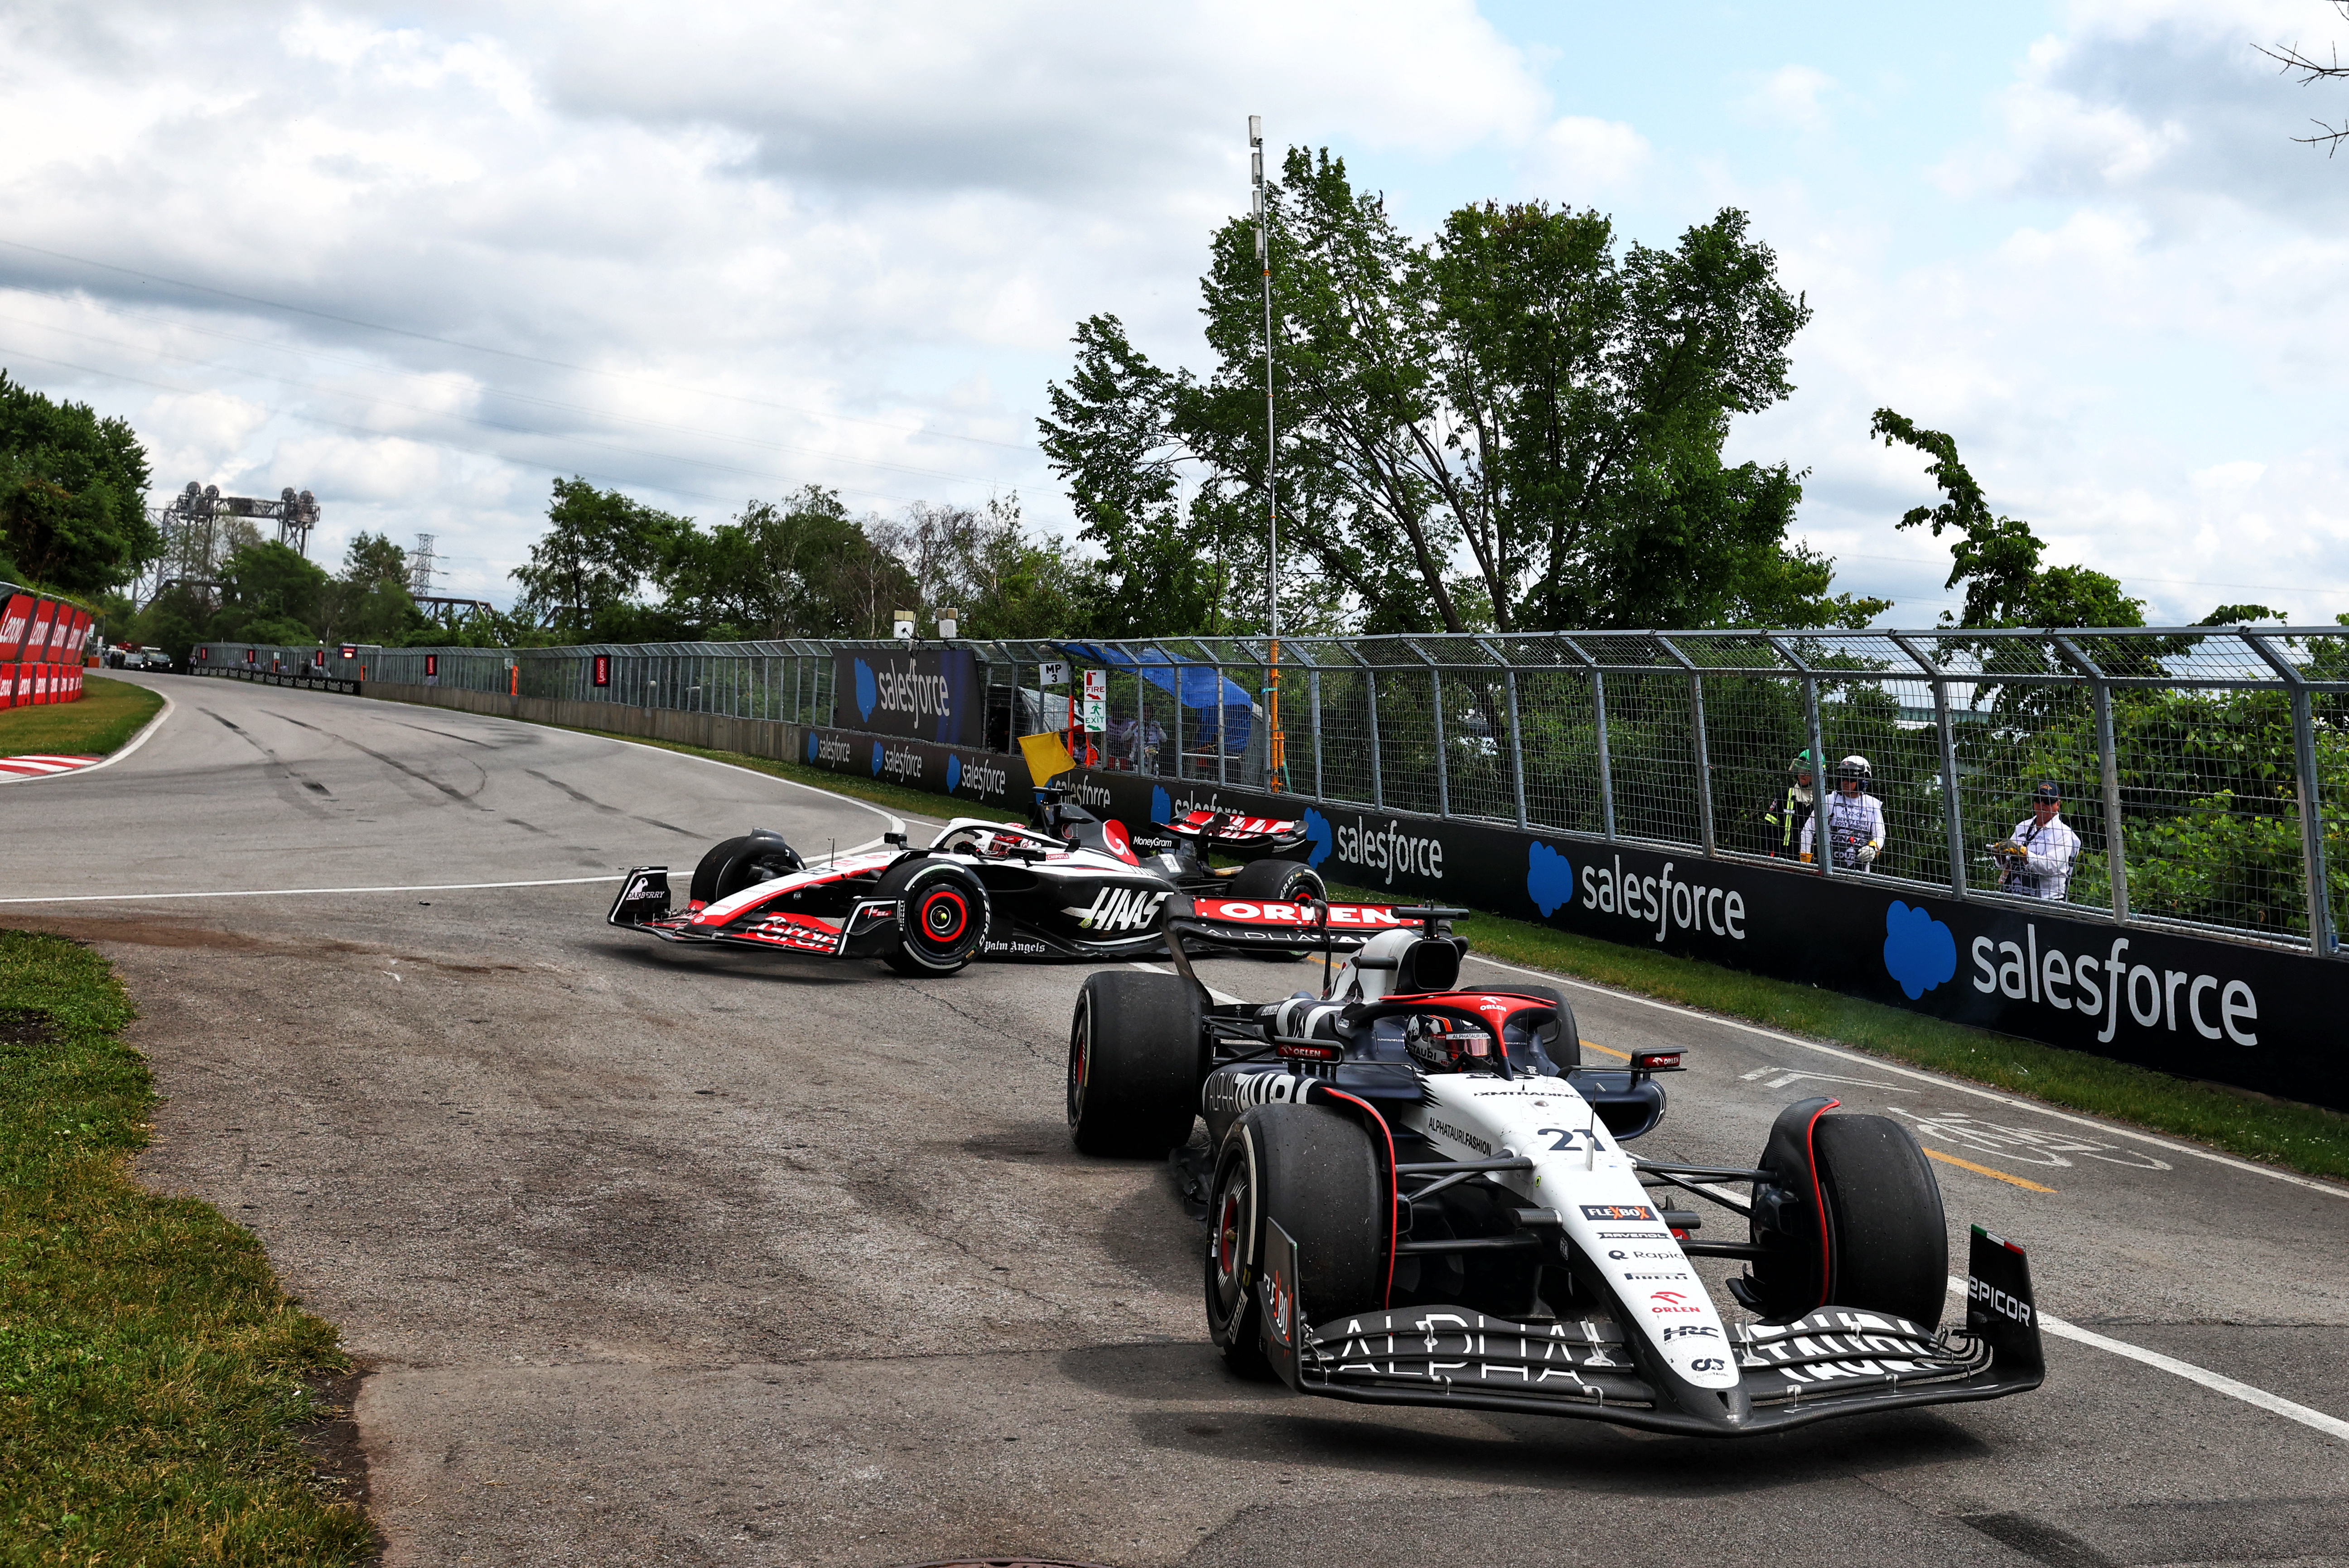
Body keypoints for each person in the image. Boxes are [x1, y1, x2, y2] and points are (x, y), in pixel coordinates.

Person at [1993, 780, 2079, 900]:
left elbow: (2051, 867)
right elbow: (2007, 864)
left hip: (2046, 901)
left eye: (2048, 801)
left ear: (2058, 805)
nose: (2042, 804)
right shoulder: (2022, 826)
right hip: (2014, 896)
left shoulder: (2064, 834)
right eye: (2038, 800)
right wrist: (2000, 856)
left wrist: (2024, 854)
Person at [1801, 754, 1886, 872]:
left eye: (1851, 779)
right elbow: (1808, 830)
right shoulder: (1829, 800)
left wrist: (1873, 847)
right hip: (1830, 871)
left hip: (1860, 874)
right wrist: (1805, 863)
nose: (1845, 782)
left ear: (1863, 781)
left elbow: (1880, 834)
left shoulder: (1873, 805)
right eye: (1842, 778)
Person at [1761, 750, 1815, 858]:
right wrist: (1771, 850)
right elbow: (1769, 825)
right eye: (1800, 769)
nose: (1802, 775)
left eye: (1808, 771)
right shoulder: (1786, 796)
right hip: (1786, 855)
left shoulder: (1824, 801)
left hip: (1814, 857)